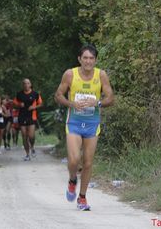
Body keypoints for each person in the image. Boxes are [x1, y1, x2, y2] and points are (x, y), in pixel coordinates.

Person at [54, 44, 114, 211]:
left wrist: (98, 102)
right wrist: (71, 103)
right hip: (73, 122)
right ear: (79, 59)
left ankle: (82, 198)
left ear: (95, 60)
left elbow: (111, 98)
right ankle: (73, 179)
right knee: (73, 160)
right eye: (85, 58)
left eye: (91, 58)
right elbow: (58, 95)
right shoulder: (70, 74)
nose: (88, 61)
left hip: (92, 124)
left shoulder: (101, 75)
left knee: (87, 163)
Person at [13, 78, 43, 161]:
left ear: (30, 84)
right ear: (23, 85)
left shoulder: (35, 94)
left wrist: (34, 107)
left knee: (31, 136)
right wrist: (19, 105)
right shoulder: (19, 94)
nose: (26, 85)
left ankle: (32, 147)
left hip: (31, 116)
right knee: (24, 136)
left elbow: (41, 104)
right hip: (22, 116)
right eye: (24, 84)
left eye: (28, 83)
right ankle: (27, 154)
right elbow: (14, 105)